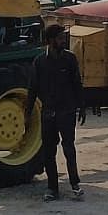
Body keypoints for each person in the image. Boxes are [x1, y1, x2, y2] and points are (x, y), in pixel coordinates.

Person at [27, 24, 84, 201]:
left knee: (69, 149)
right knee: (48, 152)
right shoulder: (39, 62)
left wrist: (82, 107)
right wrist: (27, 113)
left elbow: (77, 84)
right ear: (51, 41)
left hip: (67, 112)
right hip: (48, 113)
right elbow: (33, 89)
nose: (63, 40)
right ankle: (52, 188)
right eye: (60, 38)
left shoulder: (70, 59)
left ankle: (75, 184)